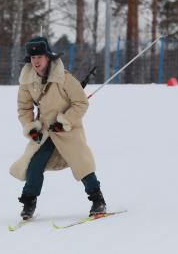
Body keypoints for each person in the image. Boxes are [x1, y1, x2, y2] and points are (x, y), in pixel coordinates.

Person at [9, 36, 107, 220]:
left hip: (68, 129)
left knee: (81, 161)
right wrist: (30, 127)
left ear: (48, 57)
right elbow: (24, 108)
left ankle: (97, 199)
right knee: (34, 163)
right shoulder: (27, 80)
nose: (36, 61)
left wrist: (64, 121)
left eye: (39, 57)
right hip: (45, 131)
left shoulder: (65, 78)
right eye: (32, 58)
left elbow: (81, 102)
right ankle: (29, 201)